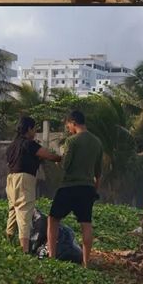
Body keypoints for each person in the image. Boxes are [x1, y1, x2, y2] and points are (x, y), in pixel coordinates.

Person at [48, 109, 103, 267]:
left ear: (73, 123)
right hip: (87, 188)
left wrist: (58, 160)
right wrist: (94, 191)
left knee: (53, 219)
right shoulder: (97, 142)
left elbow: (65, 165)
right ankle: (86, 262)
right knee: (86, 223)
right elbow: (98, 173)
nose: (68, 129)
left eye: (68, 126)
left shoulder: (72, 141)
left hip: (69, 186)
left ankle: (51, 258)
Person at [5, 116, 62, 253]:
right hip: (25, 179)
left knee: (13, 210)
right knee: (25, 212)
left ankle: (8, 239)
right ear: (29, 129)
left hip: (11, 179)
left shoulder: (12, 146)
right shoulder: (29, 144)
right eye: (34, 128)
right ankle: (24, 250)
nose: (35, 131)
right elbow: (48, 155)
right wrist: (60, 158)